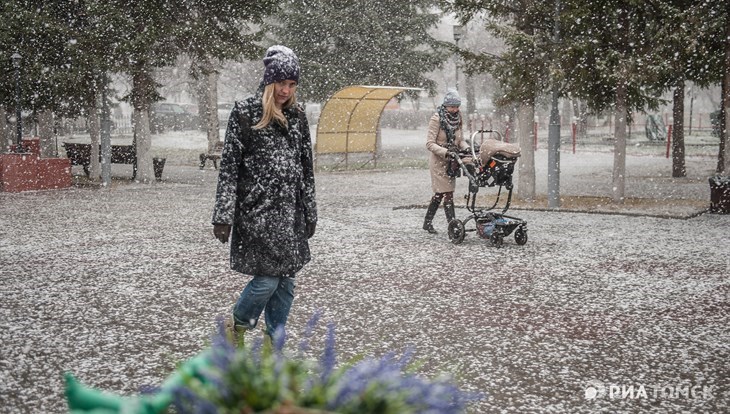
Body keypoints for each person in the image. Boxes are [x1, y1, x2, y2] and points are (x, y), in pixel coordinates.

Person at [211, 45, 317, 346]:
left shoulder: (297, 115)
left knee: (286, 282)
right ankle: (237, 326)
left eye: (292, 84)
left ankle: (275, 343)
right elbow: (229, 167)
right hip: (257, 212)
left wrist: (310, 210)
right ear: (269, 82)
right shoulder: (245, 112)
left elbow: (305, 167)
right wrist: (223, 215)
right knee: (268, 280)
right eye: (281, 83)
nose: (286, 90)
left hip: (290, 212)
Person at [423, 89, 469, 234]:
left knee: (444, 193)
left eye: (457, 106)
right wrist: (445, 152)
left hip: (452, 161)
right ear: (445, 105)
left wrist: (467, 148)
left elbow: (460, 140)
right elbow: (430, 143)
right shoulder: (436, 119)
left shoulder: (458, 117)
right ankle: (452, 226)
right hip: (438, 161)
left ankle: (428, 222)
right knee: (444, 193)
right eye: (452, 106)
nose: (455, 109)